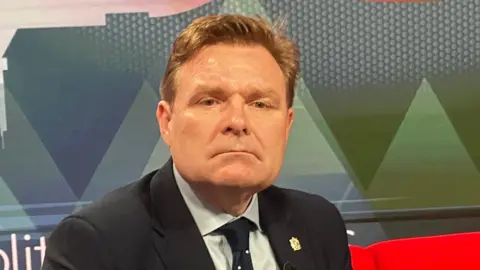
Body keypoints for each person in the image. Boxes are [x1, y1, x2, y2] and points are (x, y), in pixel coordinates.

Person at [41, 14, 352, 270]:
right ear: (167, 122)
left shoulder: (318, 224)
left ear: (286, 126)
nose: (238, 122)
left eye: (260, 104)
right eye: (210, 101)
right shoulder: (95, 244)